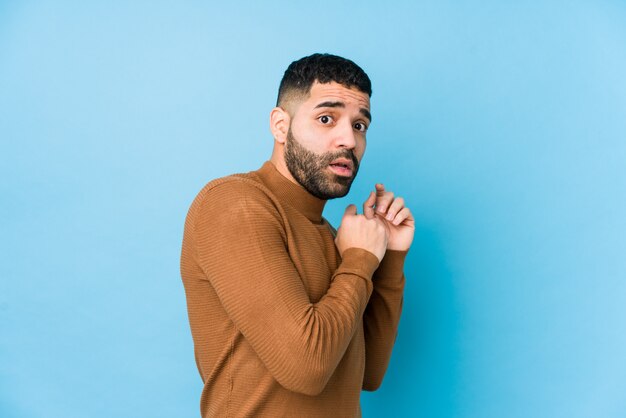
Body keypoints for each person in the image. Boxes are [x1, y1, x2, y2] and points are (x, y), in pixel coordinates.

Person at [180, 53, 414, 417]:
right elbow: (307, 368)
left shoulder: (335, 237)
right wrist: (359, 259)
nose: (349, 140)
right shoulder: (234, 204)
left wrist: (389, 258)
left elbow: (368, 374)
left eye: (360, 125)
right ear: (280, 126)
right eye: (326, 118)